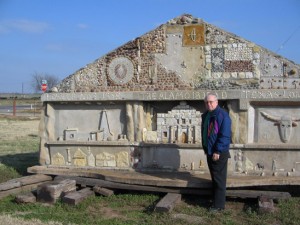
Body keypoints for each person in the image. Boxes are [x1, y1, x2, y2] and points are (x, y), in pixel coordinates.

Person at [201, 93, 231, 212]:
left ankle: (219, 206)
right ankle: (215, 199)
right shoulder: (207, 115)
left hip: (218, 153)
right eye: (207, 102)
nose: (209, 104)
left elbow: (225, 135)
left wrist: (218, 150)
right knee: (214, 177)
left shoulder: (222, 115)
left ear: (216, 102)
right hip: (210, 151)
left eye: (211, 102)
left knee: (219, 179)